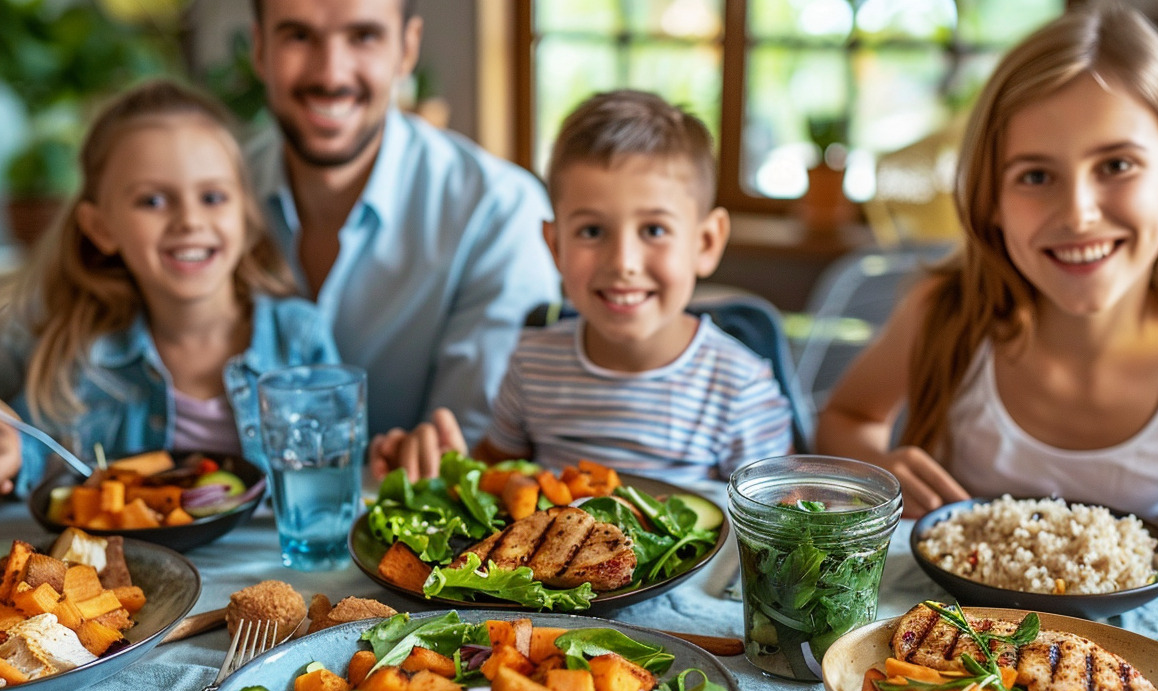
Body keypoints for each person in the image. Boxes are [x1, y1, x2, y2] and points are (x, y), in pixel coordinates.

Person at [813, 3, 1158, 541]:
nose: (1079, 214)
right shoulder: (946, 313)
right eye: (1036, 175)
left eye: (1116, 166)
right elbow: (846, 416)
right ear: (991, 198)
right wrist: (879, 466)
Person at [369, 89, 794, 483]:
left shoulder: (741, 389)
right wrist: (438, 468)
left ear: (705, 242)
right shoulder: (532, 363)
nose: (623, 262)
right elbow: (493, 476)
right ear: (555, 246)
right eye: (592, 231)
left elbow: (779, 527)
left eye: (654, 230)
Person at [0, 79, 338, 496]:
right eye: (153, 202)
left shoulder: (300, 338)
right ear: (101, 228)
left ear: (245, 215)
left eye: (213, 197)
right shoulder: (82, 355)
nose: (189, 221)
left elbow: (339, 468)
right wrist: (13, 449)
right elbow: (38, 453)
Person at [245, 0, 561, 442]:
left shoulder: (498, 210)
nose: (331, 74)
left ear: (407, 49)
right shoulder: (212, 199)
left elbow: (470, 453)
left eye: (363, 37)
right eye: (298, 36)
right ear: (260, 49)